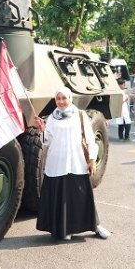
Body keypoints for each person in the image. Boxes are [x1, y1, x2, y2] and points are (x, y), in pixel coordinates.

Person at [34, 87, 110, 241]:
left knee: (82, 196)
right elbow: (46, 142)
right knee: (61, 198)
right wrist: (42, 129)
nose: (61, 102)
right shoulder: (52, 118)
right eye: (58, 99)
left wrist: (92, 160)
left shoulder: (80, 115)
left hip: (76, 162)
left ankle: (96, 226)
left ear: (70, 98)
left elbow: (90, 139)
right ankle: (65, 229)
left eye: (64, 98)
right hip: (57, 163)